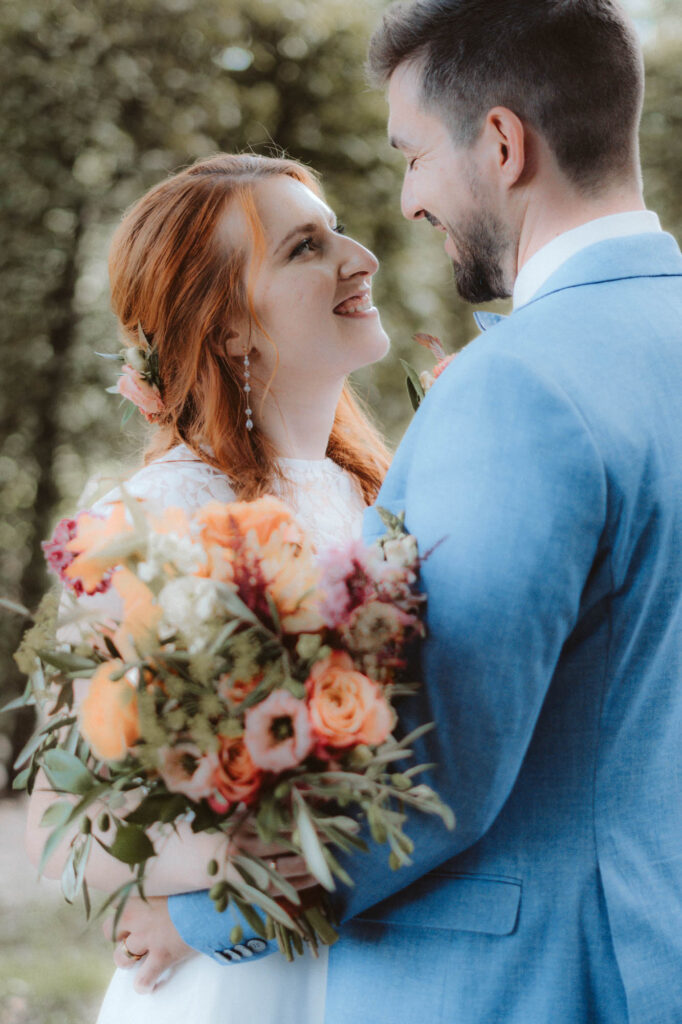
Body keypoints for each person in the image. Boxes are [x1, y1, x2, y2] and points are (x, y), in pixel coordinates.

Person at [153, 2, 682, 1022]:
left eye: (411, 156)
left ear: (500, 143)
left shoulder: (517, 386)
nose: (402, 204)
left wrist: (196, 913)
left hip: (533, 985)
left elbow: (430, 778)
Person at [24, 151, 392, 1023]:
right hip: (237, 995)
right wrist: (224, 871)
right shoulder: (150, 520)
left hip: (383, 966)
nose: (358, 255)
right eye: (305, 247)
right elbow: (58, 818)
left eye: (334, 226)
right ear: (228, 330)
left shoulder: (384, 494)